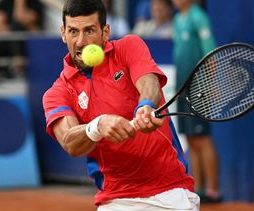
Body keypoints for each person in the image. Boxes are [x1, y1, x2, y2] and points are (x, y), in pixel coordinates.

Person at [42, 0, 199, 210]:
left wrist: (145, 105)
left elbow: (148, 82)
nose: (80, 41)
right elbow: (69, 141)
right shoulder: (57, 93)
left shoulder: (129, 47)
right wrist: (96, 126)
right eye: (73, 31)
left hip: (169, 193)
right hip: (116, 200)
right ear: (63, 33)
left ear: (105, 32)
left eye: (89, 30)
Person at [172, 0, 221, 203]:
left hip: (199, 88)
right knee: (191, 139)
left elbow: (211, 54)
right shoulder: (177, 19)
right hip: (182, 88)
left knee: (202, 138)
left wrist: (211, 84)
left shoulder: (199, 17)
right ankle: (198, 188)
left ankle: (213, 191)